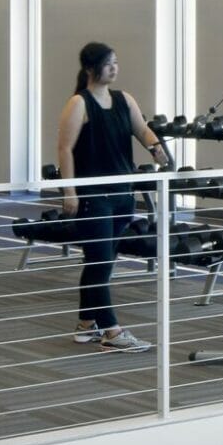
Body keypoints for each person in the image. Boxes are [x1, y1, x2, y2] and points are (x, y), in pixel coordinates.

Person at [57, 42, 172, 351]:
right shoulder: (78, 103)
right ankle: (112, 331)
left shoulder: (124, 100)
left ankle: (85, 325)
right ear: (91, 69)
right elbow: (65, 149)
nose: (115, 68)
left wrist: (156, 147)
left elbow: (142, 129)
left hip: (122, 194)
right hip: (94, 196)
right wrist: (69, 191)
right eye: (109, 64)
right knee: (99, 260)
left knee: (102, 262)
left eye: (116, 63)